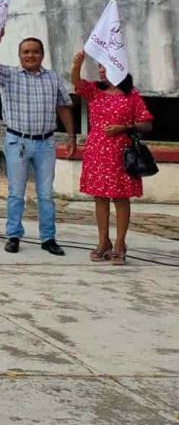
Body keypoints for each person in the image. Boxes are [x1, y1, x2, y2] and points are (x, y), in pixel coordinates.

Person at [0, 29, 76, 255]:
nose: (30, 56)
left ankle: (48, 238)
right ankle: (13, 235)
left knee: (46, 194)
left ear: (42, 55)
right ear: (19, 55)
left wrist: (72, 136)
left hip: (45, 144)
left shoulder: (52, 77)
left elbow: (63, 106)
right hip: (18, 142)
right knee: (16, 192)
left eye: (35, 52)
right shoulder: (10, 75)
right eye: (25, 52)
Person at [70, 52, 153, 266]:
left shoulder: (131, 95)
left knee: (121, 197)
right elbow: (76, 84)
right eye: (99, 66)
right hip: (97, 151)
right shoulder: (95, 91)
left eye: (105, 66)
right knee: (100, 197)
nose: (101, 70)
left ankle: (119, 243)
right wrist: (76, 65)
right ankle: (103, 241)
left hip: (121, 153)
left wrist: (124, 127)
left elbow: (147, 123)